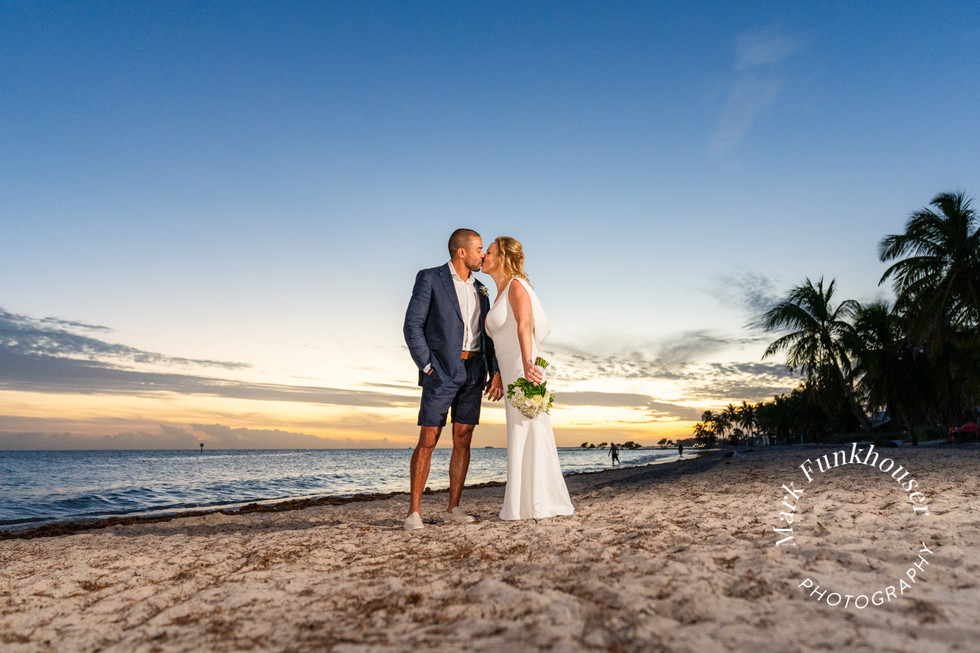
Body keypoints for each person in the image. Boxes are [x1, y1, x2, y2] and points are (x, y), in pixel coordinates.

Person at [403, 228, 503, 531]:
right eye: (478, 249)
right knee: (428, 439)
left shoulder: (481, 288)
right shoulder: (430, 278)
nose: (482, 255)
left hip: (474, 371)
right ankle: (414, 513)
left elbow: (489, 334)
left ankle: (453, 508)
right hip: (441, 371)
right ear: (461, 252)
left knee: (463, 438)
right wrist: (427, 365)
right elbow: (412, 325)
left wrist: (494, 370)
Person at [482, 236, 574, 520]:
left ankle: (537, 502)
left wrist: (526, 363)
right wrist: (496, 374)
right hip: (508, 369)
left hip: (523, 367)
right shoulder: (495, 293)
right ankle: (524, 502)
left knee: (530, 429)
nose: (484, 255)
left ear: (502, 258)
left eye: (489, 251)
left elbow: (524, 324)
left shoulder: (516, 285)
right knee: (520, 431)